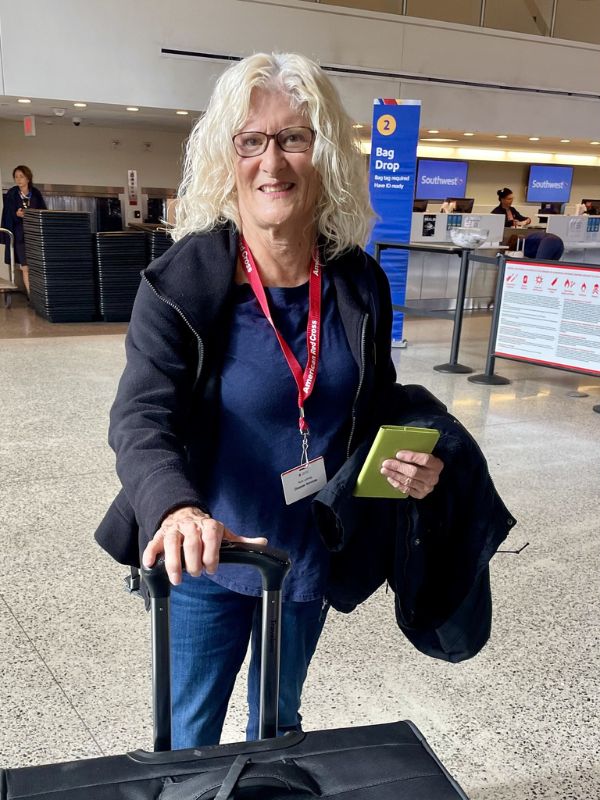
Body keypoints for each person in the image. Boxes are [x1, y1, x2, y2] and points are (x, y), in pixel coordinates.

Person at [100, 52, 445, 749]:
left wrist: (417, 445)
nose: (272, 162)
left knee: (279, 727)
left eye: (294, 137)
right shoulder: (182, 283)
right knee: (189, 736)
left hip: (307, 555)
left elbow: (372, 398)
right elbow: (141, 417)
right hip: (207, 553)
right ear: (229, 160)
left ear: (323, 155)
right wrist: (176, 507)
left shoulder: (358, 282)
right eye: (251, 141)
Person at [0, 165, 46, 297]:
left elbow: (43, 210)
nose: (19, 180)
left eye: (21, 176)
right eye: (16, 177)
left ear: (28, 178)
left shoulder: (35, 193)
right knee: (25, 266)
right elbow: (8, 213)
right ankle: (32, 297)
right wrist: (17, 214)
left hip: (35, 233)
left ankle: (40, 296)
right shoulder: (12, 193)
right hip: (19, 234)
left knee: (37, 266)